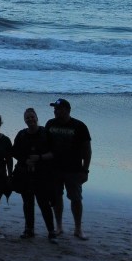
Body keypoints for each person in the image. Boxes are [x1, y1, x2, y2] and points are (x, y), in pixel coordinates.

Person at [46, 98, 92, 240]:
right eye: (55, 109)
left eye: (58, 109)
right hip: (54, 169)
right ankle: (59, 226)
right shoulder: (50, 124)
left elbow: (87, 150)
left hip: (74, 169)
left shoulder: (79, 126)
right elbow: (45, 145)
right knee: (56, 197)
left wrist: (85, 170)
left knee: (76, 198)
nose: (55, 111)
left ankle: (78, 228)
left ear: (67, 110)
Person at [12, 108, 58, 242]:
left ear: (37, 118)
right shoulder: (21, 135)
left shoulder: (45, 133)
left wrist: (39, 158)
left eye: (32, 117)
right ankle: (29, 229)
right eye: (27, 118)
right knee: (27, 203)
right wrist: (25, 160)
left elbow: (53, 153)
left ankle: (51, 231)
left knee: (44, 203)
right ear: (24, 120)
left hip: (43, 174)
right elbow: (15, 152)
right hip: (25, 174)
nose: (30, 120)